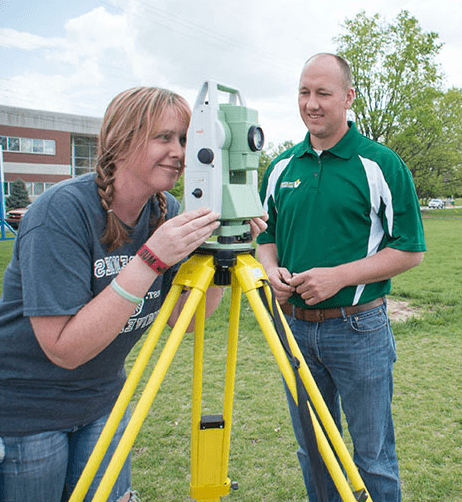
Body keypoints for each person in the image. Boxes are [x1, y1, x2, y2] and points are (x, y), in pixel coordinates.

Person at [0, 86, 267, 502]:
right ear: (122, 141)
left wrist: (218, 251)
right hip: (28, 413)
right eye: (164, 137)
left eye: (186, 139)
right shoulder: (61, 212)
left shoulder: (169, 213)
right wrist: (149, 260)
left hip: (103, 402)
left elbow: (189, 318)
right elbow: (64, 349)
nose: (180, 152)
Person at [257, 54, 426, 502]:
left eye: (323, 93)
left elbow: (411, 249)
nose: (311, 104)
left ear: (348, 97)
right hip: (293, 329)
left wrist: (339, 277)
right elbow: (266, 235)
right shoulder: (281, 167)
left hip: (359, 329)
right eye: (303, 92)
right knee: (314, 451)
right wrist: (269, 269)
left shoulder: (380, 164)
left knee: (372, 457)